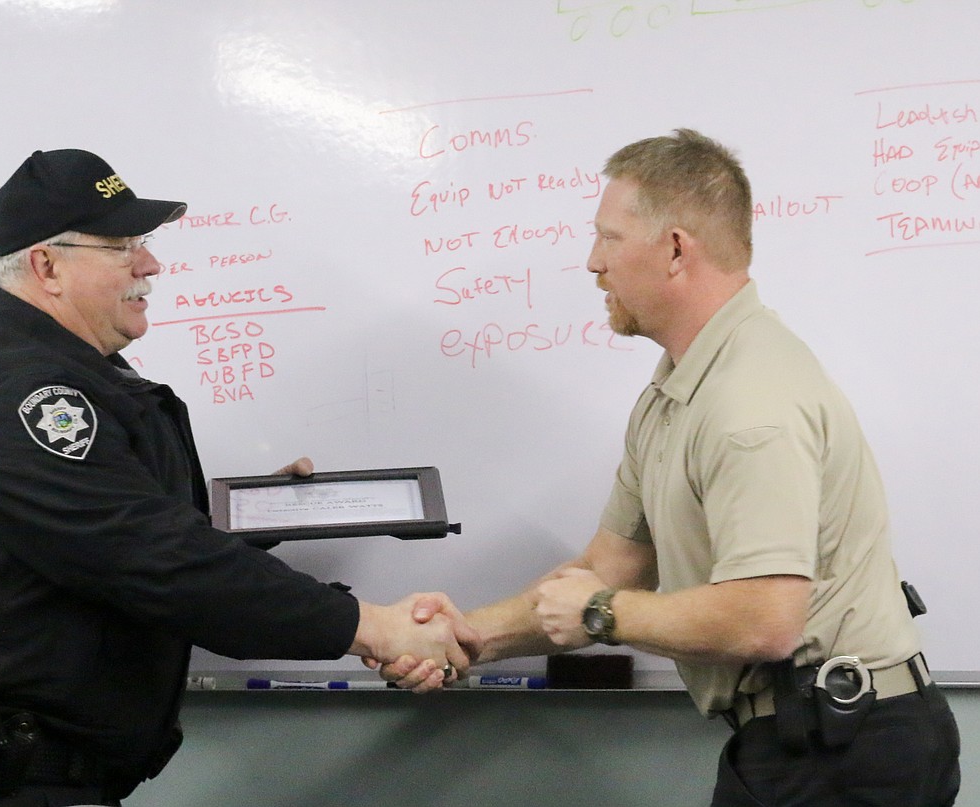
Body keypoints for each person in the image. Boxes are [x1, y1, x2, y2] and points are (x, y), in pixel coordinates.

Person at [0, 148, 476, 807]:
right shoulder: (19, 395)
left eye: (144, 242)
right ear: (47, 265)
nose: (150, 264)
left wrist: (254, 523)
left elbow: (140, 543)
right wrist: (374, 625)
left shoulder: (81, 378)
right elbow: (156, 559)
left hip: (34, 776)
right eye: (123, 244)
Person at [379, 129, 961, 806]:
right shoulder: (678, 392)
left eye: (609, 238)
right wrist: (469, 635)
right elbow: (613, 565)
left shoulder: (751, 404)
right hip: (804, 744)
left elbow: (766, 619)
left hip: (850, 753)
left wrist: (601, 614)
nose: (593, 263)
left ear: (676, 249)